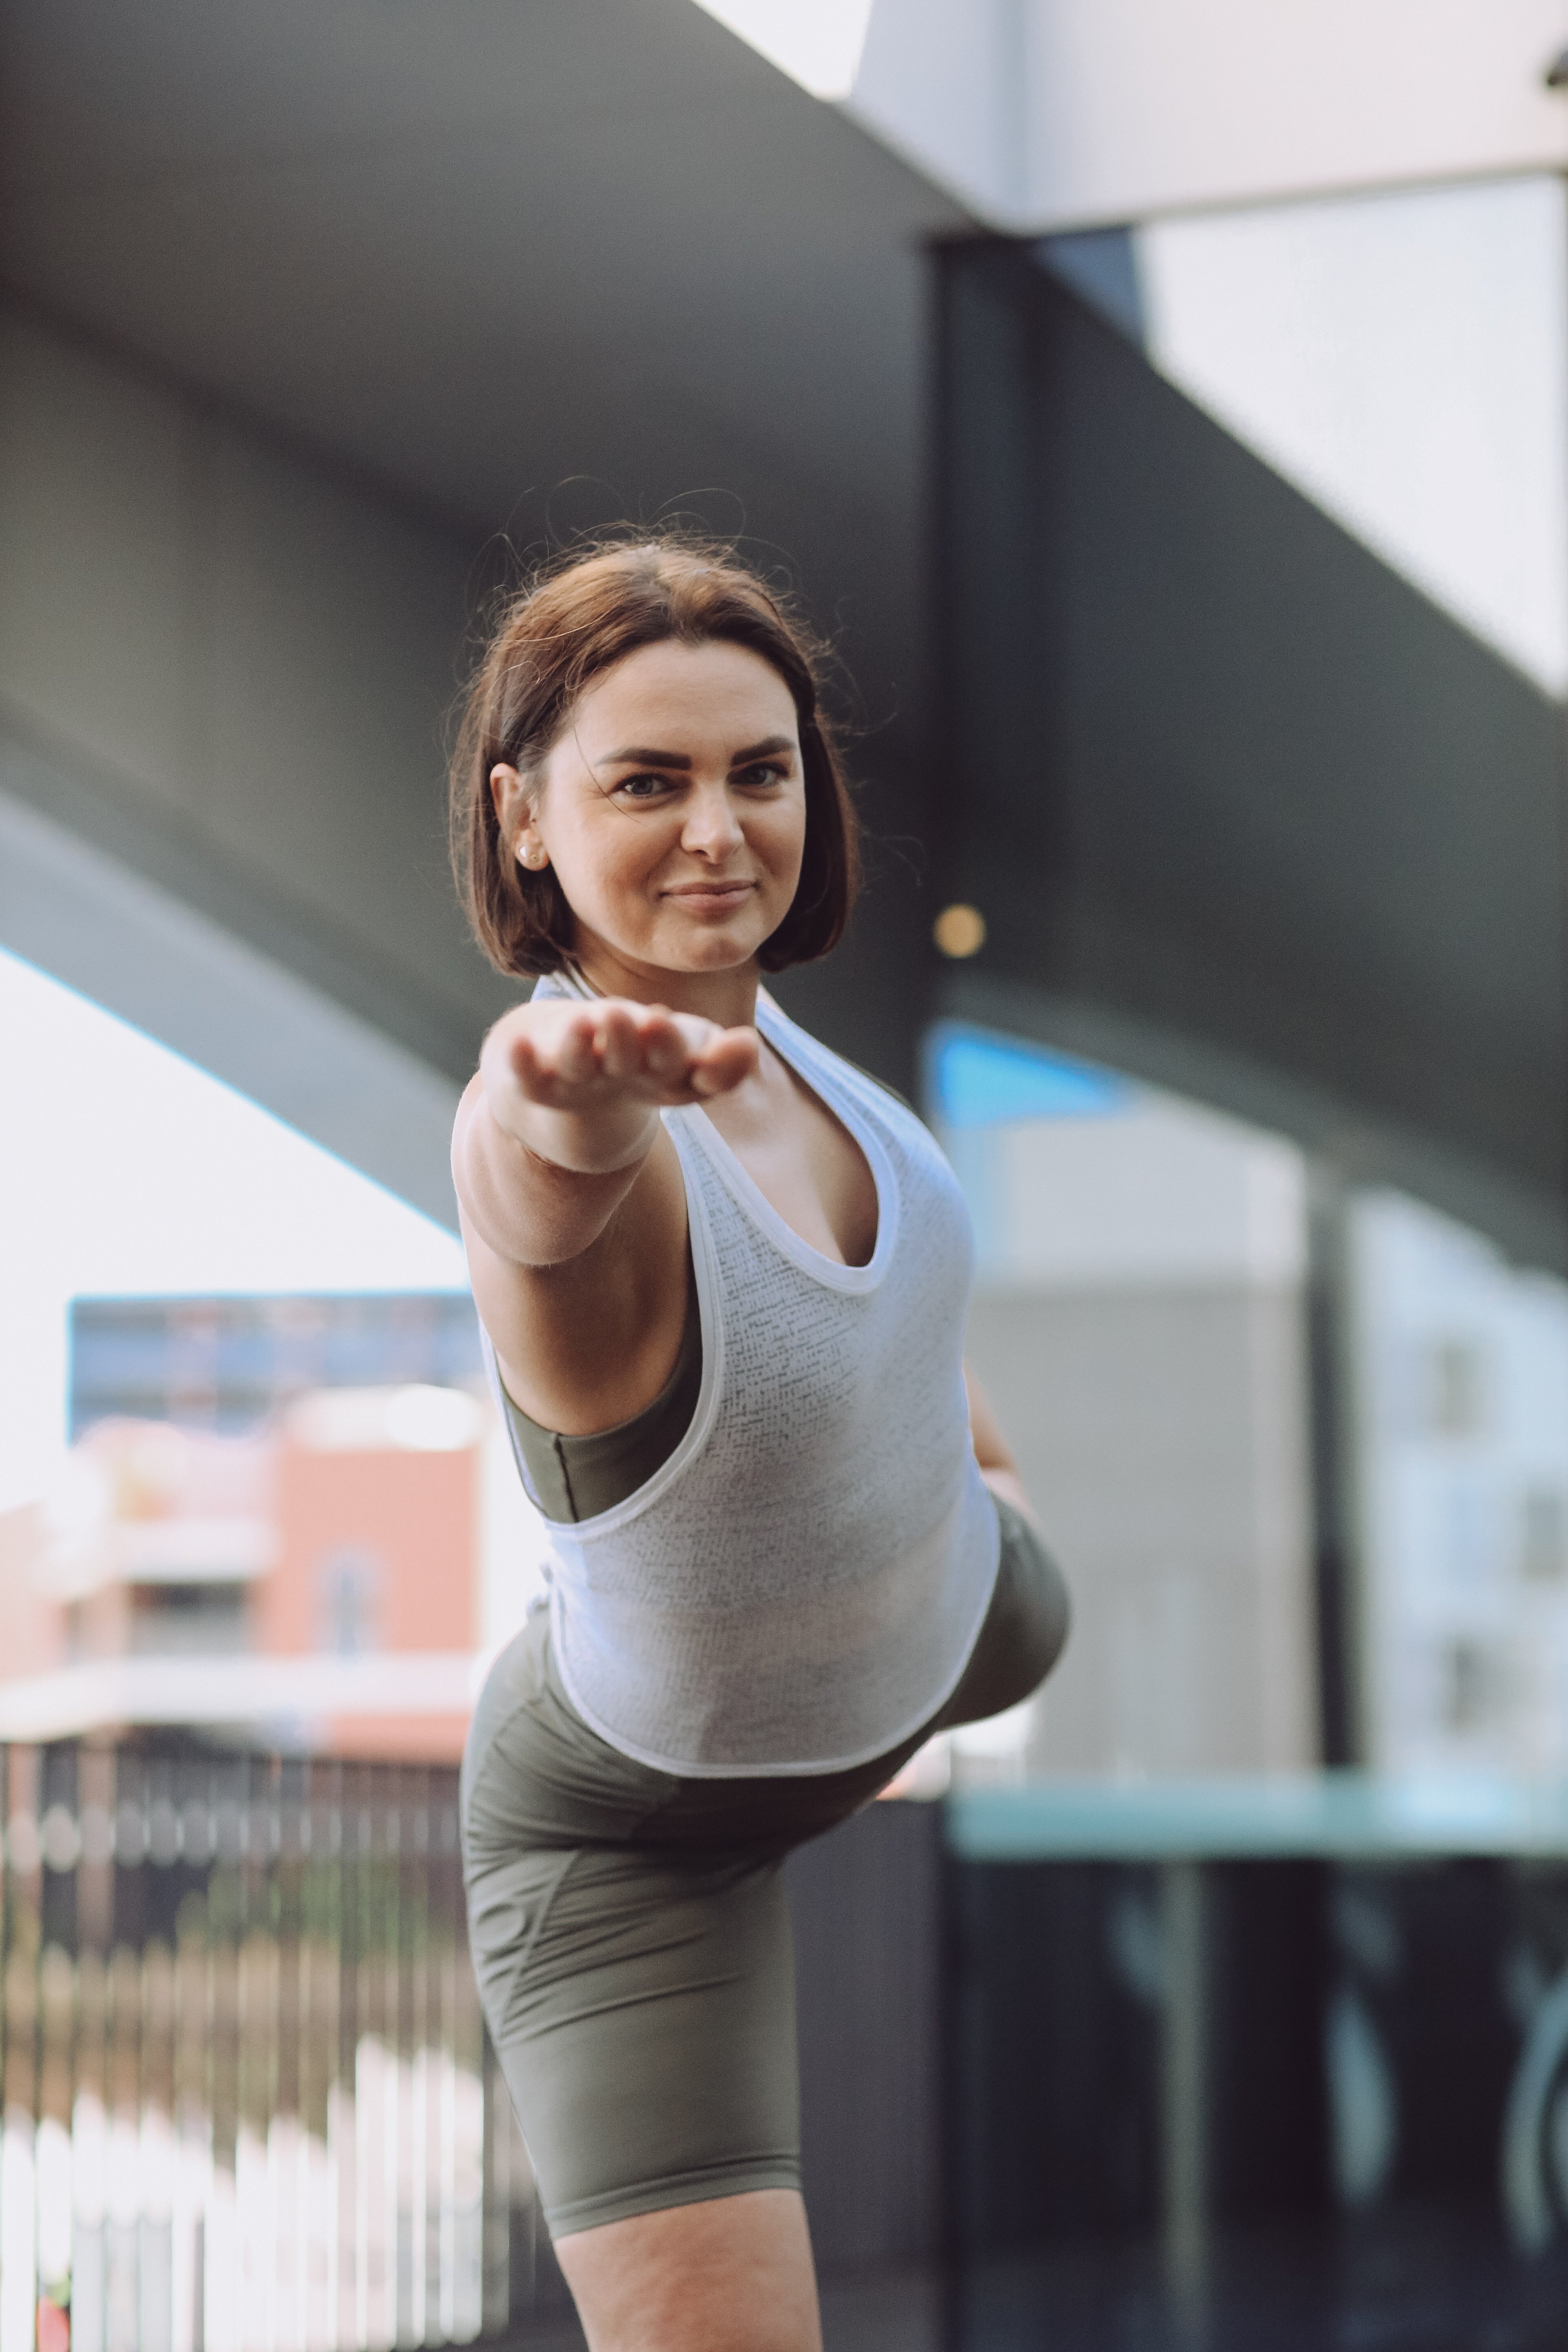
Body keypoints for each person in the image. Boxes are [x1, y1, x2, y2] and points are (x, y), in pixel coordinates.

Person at [451, 538, 1069, 2352]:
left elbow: (899, 1329)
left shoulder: (801, 1053)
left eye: (761, 771)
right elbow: (527, 1194)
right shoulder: (592, 1129)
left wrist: (995, 1508)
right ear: (527, 818)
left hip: (943, 1636)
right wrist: (546, 1124)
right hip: (633, 1831)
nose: (720, 828)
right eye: (649, 780)